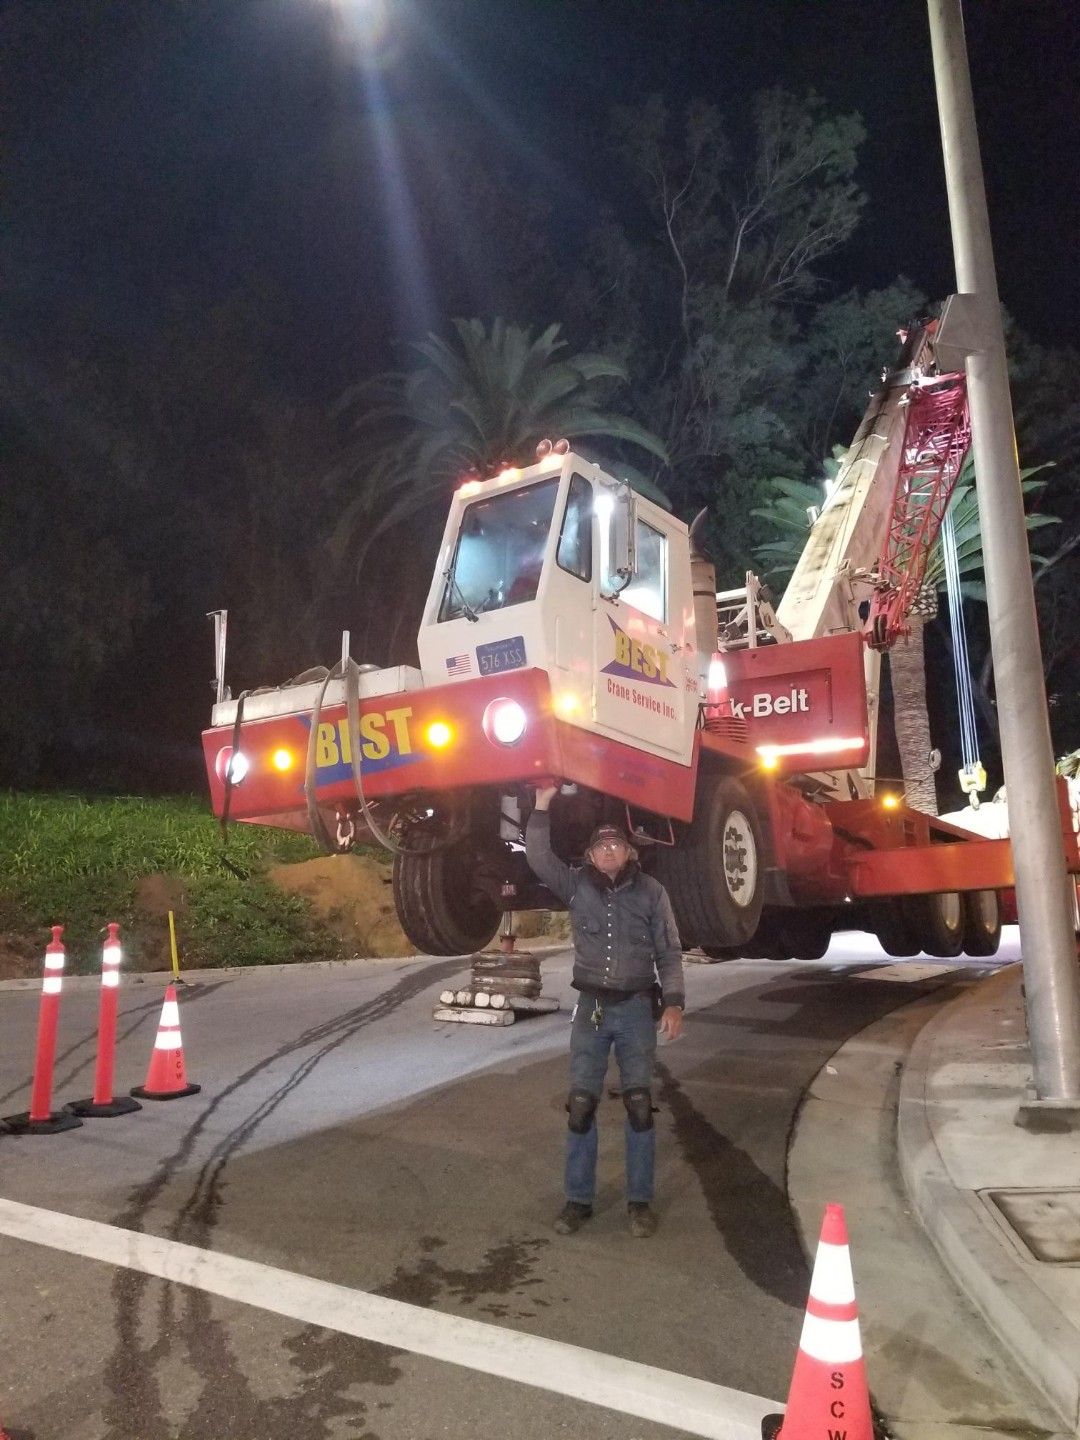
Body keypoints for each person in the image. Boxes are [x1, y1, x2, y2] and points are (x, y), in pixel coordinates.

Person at [526, 786, 685, 1238]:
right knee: (580, 1107)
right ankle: (578, 1201)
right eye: (601, 846)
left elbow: (669, 952)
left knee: (638, 1106)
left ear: (629, 851)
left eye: (616, 844)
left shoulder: (652, 893)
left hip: (636, 1010)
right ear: (591, 855)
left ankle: (640, 1203)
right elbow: (538, 858)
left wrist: (673, 1002)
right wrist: (541, 805)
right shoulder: (576, 887)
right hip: (591, 1009)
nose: (609, 851)